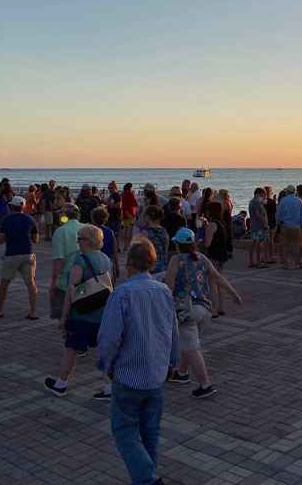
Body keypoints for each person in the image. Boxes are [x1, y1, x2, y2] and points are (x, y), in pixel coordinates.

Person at [96, 239, 179, 485]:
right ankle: (148, 477)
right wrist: (172, 362)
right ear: (152, 263)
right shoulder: (164, 291)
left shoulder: (121, 293)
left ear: (129, 263)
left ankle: (147, 479)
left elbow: (110, 337)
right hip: (156, 374)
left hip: (128, 375)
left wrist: (105, 365)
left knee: (124, 431)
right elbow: (172, 330)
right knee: (150, 433)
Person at [165, 228, 242, 397]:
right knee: (188, 342)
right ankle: (182, 373)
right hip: (204, 310)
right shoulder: (202, 258)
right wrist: (234, 294)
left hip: (186, 311)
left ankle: (205, 384)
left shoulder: (176, 260)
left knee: (192, 348)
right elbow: (218, 278)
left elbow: (169, 286)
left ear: (177, 244)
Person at [44, 225, 112, 398]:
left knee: (71, 349)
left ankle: (61, 384)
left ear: (87, 241)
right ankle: (109, 386)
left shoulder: (80, 261)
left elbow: (71, 292)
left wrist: (64, 317)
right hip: (102, 314)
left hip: (81, 315)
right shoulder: (105, 258)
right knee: (103, 350)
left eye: (79, 238)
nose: (77, 242)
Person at [0, 196, 39, 319]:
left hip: (11, 255)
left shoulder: (6, 220)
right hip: (28, 254)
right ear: (23, 206)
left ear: (11, 206)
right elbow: (35, 240)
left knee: (4, 284)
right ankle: (33, 312)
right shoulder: (30, 219)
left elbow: (0, 240)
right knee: (31, 284)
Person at [49, 204, 83, 319]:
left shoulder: (61, 231)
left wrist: (53, 283)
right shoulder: (87, 228)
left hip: (65, 283)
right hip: (84, 280)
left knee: (64, 317)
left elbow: (59, 260)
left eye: (60, 214)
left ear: (64, 216)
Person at [276, 185, 302, 270]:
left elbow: (278, 213)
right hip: (296, 226)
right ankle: (297, 263)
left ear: (287, 191)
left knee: (285, 246)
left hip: (285, 226)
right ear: (294, 191)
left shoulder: (283, 200)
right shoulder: (299, 200)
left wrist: (278, 223)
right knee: (297, 245)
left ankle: (286, 264)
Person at [139, 205, 169, 279]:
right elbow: (166, 249)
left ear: (148, 217)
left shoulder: (145, 233)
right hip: (163, 268)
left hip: (150, 270)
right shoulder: (164, 231)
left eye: (144, 215)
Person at [92, 206, 120, 282]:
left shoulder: (90, 231)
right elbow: (115, 251)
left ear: (93, 218)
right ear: (105, 219)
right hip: (107, 261)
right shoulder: (110, 232)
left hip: (93, 262)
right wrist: (117, 266)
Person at [248, 188, 269, 268]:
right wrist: (265, 224)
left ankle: (251, 261)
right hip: (259, 227)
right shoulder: (256, 202)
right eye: (263, 194)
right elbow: (258, 214)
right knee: (259, 245)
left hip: (254, 226)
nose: (264, 196)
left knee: (253, 244)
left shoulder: (252, 202)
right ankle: (259, 262)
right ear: (258, 194)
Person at [121, 183, 139, 247]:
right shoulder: (130, 194)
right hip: (130, 214)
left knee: (126, 230)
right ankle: (129, 245)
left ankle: (125, 246)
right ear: (130, 188)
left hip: (124, 213)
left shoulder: (123, 194)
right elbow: (136, 204)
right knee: (130, 230)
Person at [263, 186, 277, 263]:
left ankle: (265, 257)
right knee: (271, 240)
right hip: (272, 222)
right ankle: (271, 256)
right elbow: (275, 212)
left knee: (265, 241)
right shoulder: (272, 201)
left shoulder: (262, 201)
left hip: (265, 222)